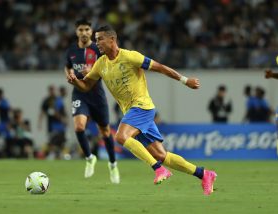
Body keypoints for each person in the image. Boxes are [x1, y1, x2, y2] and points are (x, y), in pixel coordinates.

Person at [68, 25, 217, 195]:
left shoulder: (131, 57)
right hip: (133, 112)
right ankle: (204, 174)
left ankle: (158, 169)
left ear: (112, 40)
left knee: (121, 136)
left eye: (100, 39)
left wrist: (185, 80)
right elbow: (86, 85)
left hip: (142, 107)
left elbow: (159, 67)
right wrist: (75, 82)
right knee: (162, 155)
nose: (97, 43)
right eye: (96, 40)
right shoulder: (101, 64)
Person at [65, 19, 120, 183]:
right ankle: (89, 158)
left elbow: (109, 65)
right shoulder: (71, 51)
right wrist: (68, 74)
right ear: (76, 32)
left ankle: (113, 164)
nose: (83, 32)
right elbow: (68, 66)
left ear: (91, 31)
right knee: (79, 126)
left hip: (97, 95)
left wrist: (95, 70)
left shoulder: (98, 48)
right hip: (79, 93)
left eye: (87, 29)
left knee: (105, 132)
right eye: (80, 29)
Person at [38, 85, 67, 159]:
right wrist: (40, 123)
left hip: (60, 125)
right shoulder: (46, 100)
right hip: (52, 125)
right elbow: (42, 112)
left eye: (53, 90)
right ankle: (52, 154)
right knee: (52, 140)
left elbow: (63, 112)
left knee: (61, 140)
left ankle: (59, 154)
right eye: (51, 90)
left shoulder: (58, 100)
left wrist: (64, 120)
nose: (52, 91)